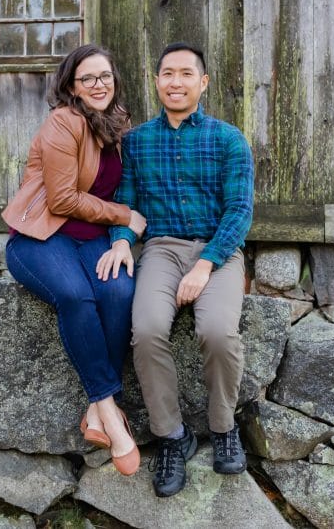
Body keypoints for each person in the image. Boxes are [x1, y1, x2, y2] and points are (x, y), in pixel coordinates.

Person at [97, 42, 254, 497]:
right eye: (168, 73)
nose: (176, 82)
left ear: (202, 83)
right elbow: (126, 205)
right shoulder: (138, 141)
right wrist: (123, 243)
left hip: (218, 251)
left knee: (218, 332)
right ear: (157, 81)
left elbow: (240, 211)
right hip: (161, 250)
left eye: (187, 74)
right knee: (145, 330)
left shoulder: (228, 139)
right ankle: (171, 437)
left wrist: (205, 265)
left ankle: (224, 428)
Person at [2, 43, 148, 476]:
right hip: (41, 238)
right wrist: (125, 217)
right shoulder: (63, 123)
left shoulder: (117, 125)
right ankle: (110, 412)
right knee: (75, 295)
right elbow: (63, 199)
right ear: (71, 86)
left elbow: (125, 190)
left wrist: (122, 239)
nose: (98, 85)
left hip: (94, 241)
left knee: (119, 291)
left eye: (105, 76)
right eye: (88, 79)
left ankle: (93, 412)